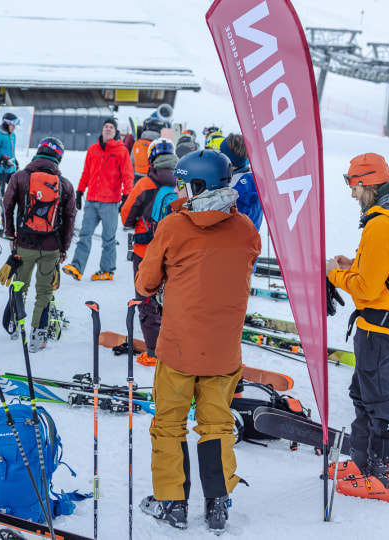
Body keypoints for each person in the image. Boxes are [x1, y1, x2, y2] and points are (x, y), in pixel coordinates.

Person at [135, 149, 260, 534]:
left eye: (186, 183)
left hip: (178, 348)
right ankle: (217, 504)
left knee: (170, 424)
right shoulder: (245, 230)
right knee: (217, 425)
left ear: (198, 185)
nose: (182, 190)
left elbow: (145, 282)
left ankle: (172, 503)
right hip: (224, 350)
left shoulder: (174, 226)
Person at [326, 153, 389, 503]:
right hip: (387, 324)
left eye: (354, 186)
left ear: (368, 184)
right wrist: (352, 264)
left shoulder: (381, 224)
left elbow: (368, 289)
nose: (353, 194)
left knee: (380, 402)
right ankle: (361, 463)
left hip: (379, 327)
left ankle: (383, 478)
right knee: (363, 395)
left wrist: (333, 274)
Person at [2, 137, 76, 353]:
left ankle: (15, 324)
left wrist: (10, 236)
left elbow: (6, 206)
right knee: (44, 290)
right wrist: (64, 248)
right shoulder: (65, 185)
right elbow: (70, 218)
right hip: (51, 247)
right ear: (58, 158)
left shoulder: (19, 177)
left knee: (19, 284)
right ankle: (38, 335)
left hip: (25, 243)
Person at [120, 137, 178, 367]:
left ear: (152, 158)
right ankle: (176, 347)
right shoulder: (184, 181)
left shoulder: (144, 184)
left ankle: (154, 352)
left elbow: (126, 218)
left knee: (146, 300)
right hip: (177, 254)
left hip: (146, 253)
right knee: (173, 301)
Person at [62, 117, 133, 281]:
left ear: (116, 132)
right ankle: (77, 267)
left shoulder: (121, 151)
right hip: (92, 201)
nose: (108, 129)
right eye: (106, 126)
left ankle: (107, 271)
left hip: (110, 203)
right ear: (102, 130)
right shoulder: (93, 149)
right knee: (84, 235)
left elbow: (128, 176)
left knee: (108, 239)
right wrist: (79, 191)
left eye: (111, 127)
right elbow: (86, 172)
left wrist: (126, 196)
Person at [218, 134, 262, 231]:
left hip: (230, 240)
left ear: (227, 158)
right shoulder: (256, 179)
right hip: (252, 239)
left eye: (220, 152)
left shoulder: (230, 187)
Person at [0, 112, 19, 195]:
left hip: (10, 169)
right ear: (6, 124)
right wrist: (0, 159)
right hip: (0, 169)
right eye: (12, 125)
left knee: (14, 191)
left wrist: (15, 161)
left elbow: (11, 150)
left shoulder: (13, 135)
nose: (14, 128)